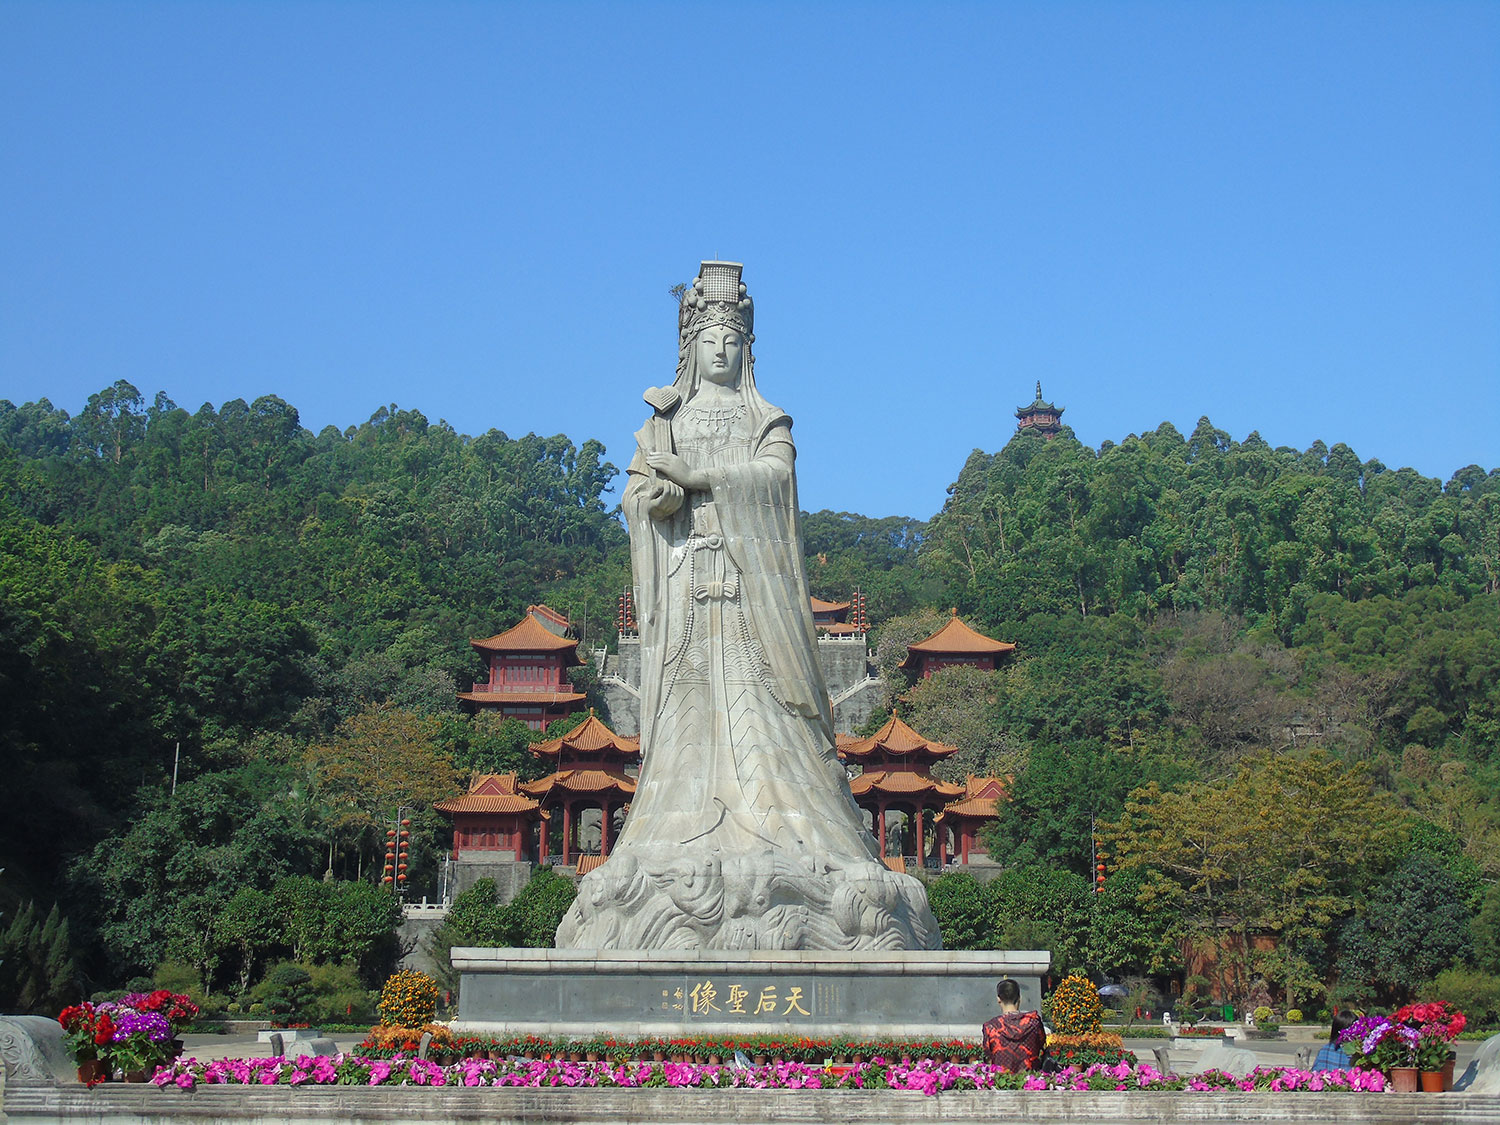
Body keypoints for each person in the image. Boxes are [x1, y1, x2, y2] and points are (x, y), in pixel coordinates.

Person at [554, 261, 937, 950]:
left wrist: (701, 476)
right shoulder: (668, 417)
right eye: (711, 338)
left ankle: (791, 834)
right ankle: (677, 838)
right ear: (690, 346)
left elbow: (775, 481)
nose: (723, 349)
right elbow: (643, 501)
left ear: (749, 346)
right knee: (684, 736)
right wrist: (658, 496)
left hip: (752, 602)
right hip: (691, 602)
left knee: (771, 732)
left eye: (734, 338)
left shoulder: (767, 419)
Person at [982, 978, 1046, 1071]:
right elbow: (1042, 1044)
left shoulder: (990, 1027)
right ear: (1019, 998)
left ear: (998, 999)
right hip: (1030, 1082)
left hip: (1002, 1081)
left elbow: (988, 1056)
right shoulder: (1034, 1022)